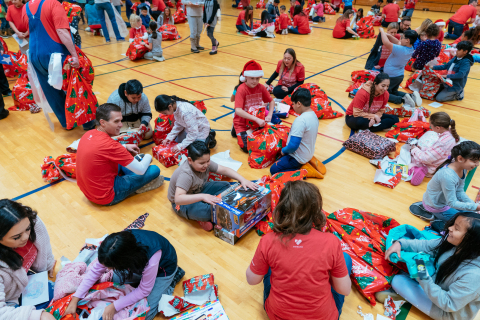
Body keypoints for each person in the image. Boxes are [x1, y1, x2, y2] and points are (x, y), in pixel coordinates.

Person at [246, 181, 352, 320]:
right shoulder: (331, 242)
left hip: (278, 316)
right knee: (346, 258)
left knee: (270, 267)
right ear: (317, 211)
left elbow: (252, 280)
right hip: (324, 316)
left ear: (281, 210)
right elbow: (344, 290)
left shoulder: (268, 241)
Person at [65, 230, 181, 320]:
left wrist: (114, 306)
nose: (108, 269)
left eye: (110, 266)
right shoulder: (112, 245)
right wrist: (76, 299)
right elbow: (96, 270)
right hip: (138, 265)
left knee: (146, 313)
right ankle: (142, 278)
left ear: (123, 262)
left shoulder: (151, 257)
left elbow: (144, 290)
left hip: (163, 268)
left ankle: (172, 280)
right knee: (114, 283)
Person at [384, 212, 480, 320]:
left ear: (471, 241)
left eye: (456, 228)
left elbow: (448, 304)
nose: (450, 228)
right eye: (453, 224)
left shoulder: (474, 276)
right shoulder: (453, 243)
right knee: (410, 262)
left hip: (447, 312)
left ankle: (405, 293)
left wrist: (422, 275)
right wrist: (400, 243)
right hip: (437, 283)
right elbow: (426, 245)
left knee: (397, 280)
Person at [22, 0, 96, 131]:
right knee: (76, 85)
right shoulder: (53, 4)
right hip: (55, 54)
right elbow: (62, 31)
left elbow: (29, 30)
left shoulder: (26, 7)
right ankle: (88, 122)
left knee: (51, 90)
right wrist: (74, 55)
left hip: (34, 55)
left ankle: (66, 122)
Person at [76, 103, 163, 206]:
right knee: (154, 169)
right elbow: (140, 170)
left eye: (120, 120)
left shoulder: (89, 134)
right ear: (103, 123)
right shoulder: (111, 146)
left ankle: (132, 175)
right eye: (116, 121)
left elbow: (104, 150)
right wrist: (149, 156)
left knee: (133, 161)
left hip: (89, 191)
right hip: (107, 196)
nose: (121, 125)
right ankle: (136, 184)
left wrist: (125, 147)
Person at [168, 141, 258, 231]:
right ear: (190, 160)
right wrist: (203, 196)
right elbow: (178, 199)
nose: (206, 165)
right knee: (207, 211)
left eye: (208, 161)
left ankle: (207, 208)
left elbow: (224, 170)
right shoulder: (186, 174)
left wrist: (243, 180)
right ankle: (201, 216)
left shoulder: (205, 163)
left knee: (226, 186)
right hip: (181, 203)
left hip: (197, 189)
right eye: (202, 163)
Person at [0, 199, 56, 320]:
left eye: (27, 229)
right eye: (16, 237)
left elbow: (44, 244)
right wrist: (37, 316)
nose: (26, 237)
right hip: (8, 299)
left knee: (61, 295)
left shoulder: (31, 222)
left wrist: (48, 262)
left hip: (22, 283)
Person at [409, 141, 480, 222]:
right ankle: (428, 212)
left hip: (446, 201)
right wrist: (475, 207)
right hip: (437, 207)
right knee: (464, 222)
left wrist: (474, 205)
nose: (477, 164)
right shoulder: (448, 176)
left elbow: (459, 191)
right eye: (474, 161)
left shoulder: (462, 169)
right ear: (460, 159)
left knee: (472, 215)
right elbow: (452, 203)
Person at [270, 89, 326, 178]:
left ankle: (303, 172)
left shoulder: (301, 120)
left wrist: (283, 151)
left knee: (274, 169)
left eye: (293, 104)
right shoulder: (313, 115)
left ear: (299, 104)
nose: (292, 106)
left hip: (297, 158)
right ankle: (306, 162)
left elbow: (293, 146)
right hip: (308, 153)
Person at [409, 112, 459, 186]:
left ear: (438, 128)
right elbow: (435, 151)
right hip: (445, 160)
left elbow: (425, 158)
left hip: (436, 167)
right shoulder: (450, 132)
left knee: (409, 161)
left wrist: (414, 149)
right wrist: (422, 148)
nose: (430, 128)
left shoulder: (442, 143)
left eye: (431, 126)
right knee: (419, 151)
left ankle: (417, 170)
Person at [234, 60, 274, 152]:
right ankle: (236, 129)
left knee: (266, 142)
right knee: (247, 147)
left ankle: (238, 132)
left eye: (257, 79)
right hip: (243, 123)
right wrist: (256, 119)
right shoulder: (241, 89)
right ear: (245, 77)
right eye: (252, 78)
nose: (255, 81)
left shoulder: (261, 87)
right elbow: (238, 110)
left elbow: (271, 101)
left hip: (256, 123)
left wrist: (269, 115)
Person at [380, 28, 420, 106]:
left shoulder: (400, 49)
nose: (400, 39)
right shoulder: (410, 48)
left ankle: (402, 99)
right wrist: (388, 35)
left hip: (391, 76)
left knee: (383, 94)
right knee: (394, 91)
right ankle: (411, 96)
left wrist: (382, 31)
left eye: (402, 38)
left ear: (407, 40)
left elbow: (386, 42)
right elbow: (398, 42)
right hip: (399, 75)